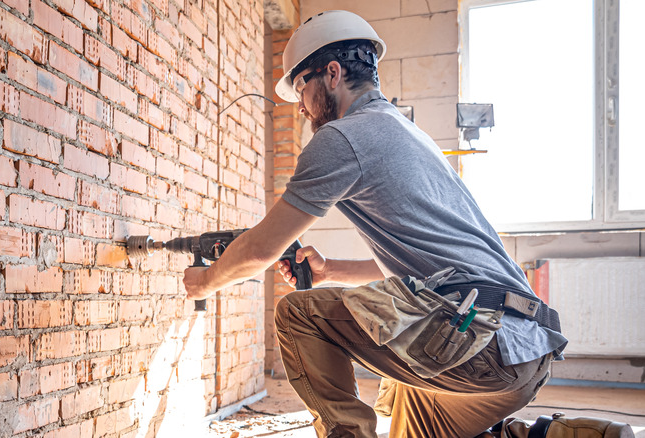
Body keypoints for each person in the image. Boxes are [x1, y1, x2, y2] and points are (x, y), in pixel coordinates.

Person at [182, 10, 567, 438]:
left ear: (331, 74)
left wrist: (206, 281)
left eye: (302, 89)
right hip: (525, 349)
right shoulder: (408, 133)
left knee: (298, 316)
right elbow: (433, 267)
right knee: (414, 424)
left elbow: (260, 249)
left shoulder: (342, 137)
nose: (303, 109)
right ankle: (568, 434)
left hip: (476, 340)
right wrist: (331, 271)